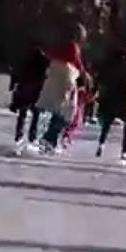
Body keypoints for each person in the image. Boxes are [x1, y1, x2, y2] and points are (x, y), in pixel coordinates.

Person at [36, 23, 88, 155]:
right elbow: (78, 64)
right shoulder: (72, 48)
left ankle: (50, 140)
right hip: (65, 82)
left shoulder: (61, 47)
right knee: (66, 113)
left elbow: (50, 54)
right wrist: (85, 76)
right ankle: (49, 139)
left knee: (60, 113)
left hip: (58, 81)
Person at [9, 45, 50, 154]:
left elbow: (16, 74)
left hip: (24, 90)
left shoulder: (25, 60)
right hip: (36, 91)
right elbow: (47, 76)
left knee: (23, 114)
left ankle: (19, 136)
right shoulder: (44, 61)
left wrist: (12, 87)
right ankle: (32, 138)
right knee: (35, 115)